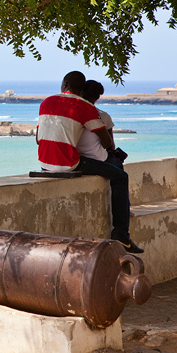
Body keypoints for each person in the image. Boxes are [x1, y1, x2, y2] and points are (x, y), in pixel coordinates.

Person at [37, 72, 143, 253]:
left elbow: (38, 139)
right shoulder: (84, 106)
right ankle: (122, 235)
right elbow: (107, 142)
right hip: (69, 164)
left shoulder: (46, 102)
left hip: (44, 163)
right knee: (120, 177)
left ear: (65, 84)